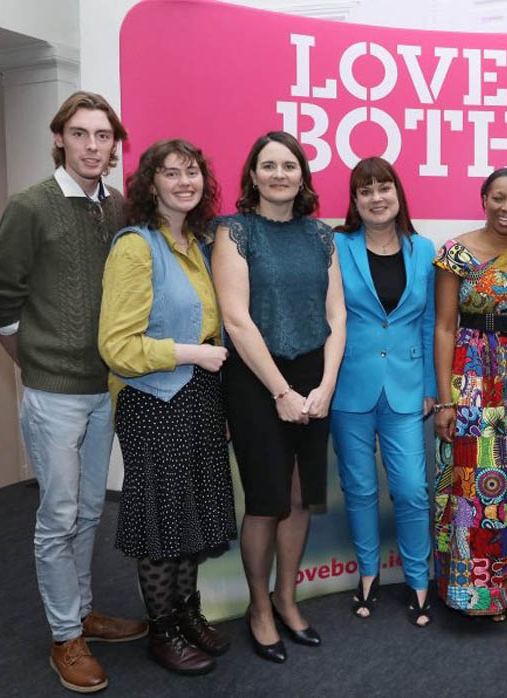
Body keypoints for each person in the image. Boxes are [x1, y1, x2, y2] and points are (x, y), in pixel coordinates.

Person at [0, 91, 146, 693]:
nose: (93, 147)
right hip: (54, 392)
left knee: (91, 510)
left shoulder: (118, 208)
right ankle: (63, 636)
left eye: (103, 137)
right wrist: (29, 360)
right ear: (60, 139)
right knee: (58, 514)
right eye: (81, 134)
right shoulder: (31, 206)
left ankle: (82, 613)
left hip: (105, 386)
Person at [98, 139, 237, 674]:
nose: (185, 181)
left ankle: (186, 615)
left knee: (191, 515)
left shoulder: (200, 243)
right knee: (162, 523)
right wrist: (191, 353)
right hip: (153, 402)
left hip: (199, 396)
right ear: (149, 184)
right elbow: (117, 346)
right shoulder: (135, 246)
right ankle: (162, 633)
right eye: (171, 173)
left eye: (193, 172)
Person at [211, 131, 346, 663]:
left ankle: (287, 601)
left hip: (314, 377)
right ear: (253, 176)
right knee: (267, 501)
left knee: (299, 495)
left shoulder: (321, 236)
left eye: (289, 165)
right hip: (255, 379)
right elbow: (236, 320)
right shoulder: (234, 231)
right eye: (268, 166)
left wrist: (327, 385)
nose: (279, 174)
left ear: (302, 177)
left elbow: (337, 316)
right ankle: (259, 608)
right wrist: (282, 392)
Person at [433, 167, 507, 619]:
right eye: (498, 197)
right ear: (483, 198)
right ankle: (477, 594)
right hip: (472, 376)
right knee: (476, 485)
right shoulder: (456, 254)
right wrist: (446, 399)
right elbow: (445, 327)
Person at [331, 157, 436, 626]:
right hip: (349, 387)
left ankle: (419, 577)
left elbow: (431, 323)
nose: (377, 198)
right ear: (355, 201)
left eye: (384, 188)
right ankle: (368, 574)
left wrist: (433, 387)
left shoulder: (423, 249)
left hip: (408, 389)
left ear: (398, 193)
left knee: (412, 490)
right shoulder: (336, 246)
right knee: (359, 488)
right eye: (366, 190)